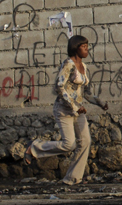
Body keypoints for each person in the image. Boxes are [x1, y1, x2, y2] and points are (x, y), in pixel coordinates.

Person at [24, 36, 108, 185]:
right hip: (64, 110)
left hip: (79, 111)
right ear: (76, 48)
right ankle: (34, 147)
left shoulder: (84, 67)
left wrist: (100, 103)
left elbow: (87, 93)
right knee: (69, 144)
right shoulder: (68, 64)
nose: (87, 49)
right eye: (83, 46)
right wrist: (74, 106)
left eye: (87, 46)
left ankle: (72, 179)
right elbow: (59, 87)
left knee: (86, 142)